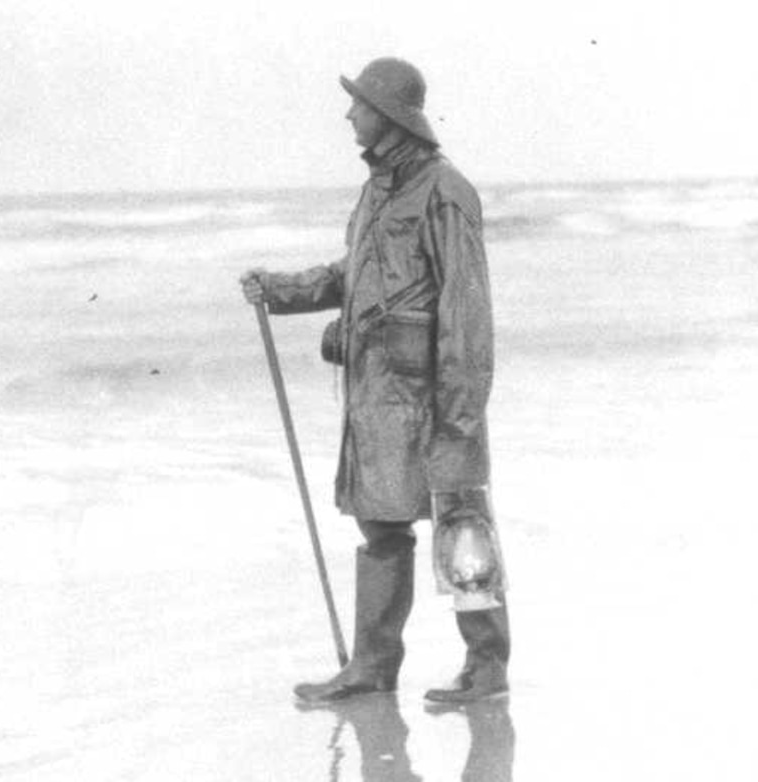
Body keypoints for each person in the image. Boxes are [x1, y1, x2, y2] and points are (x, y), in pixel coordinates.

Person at [240, 57, 509, 704]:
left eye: (358, 103)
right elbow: (352, 276)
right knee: (381, 525)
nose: (348, 113)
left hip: (437, 397)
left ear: (387, 116)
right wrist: (280, 290)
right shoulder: (378, 191)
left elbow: (466, 311)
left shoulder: (446, 191)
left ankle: (487, 667)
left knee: (461, 521)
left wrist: (462, 412)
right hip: (381, 397)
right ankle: (373, 666)